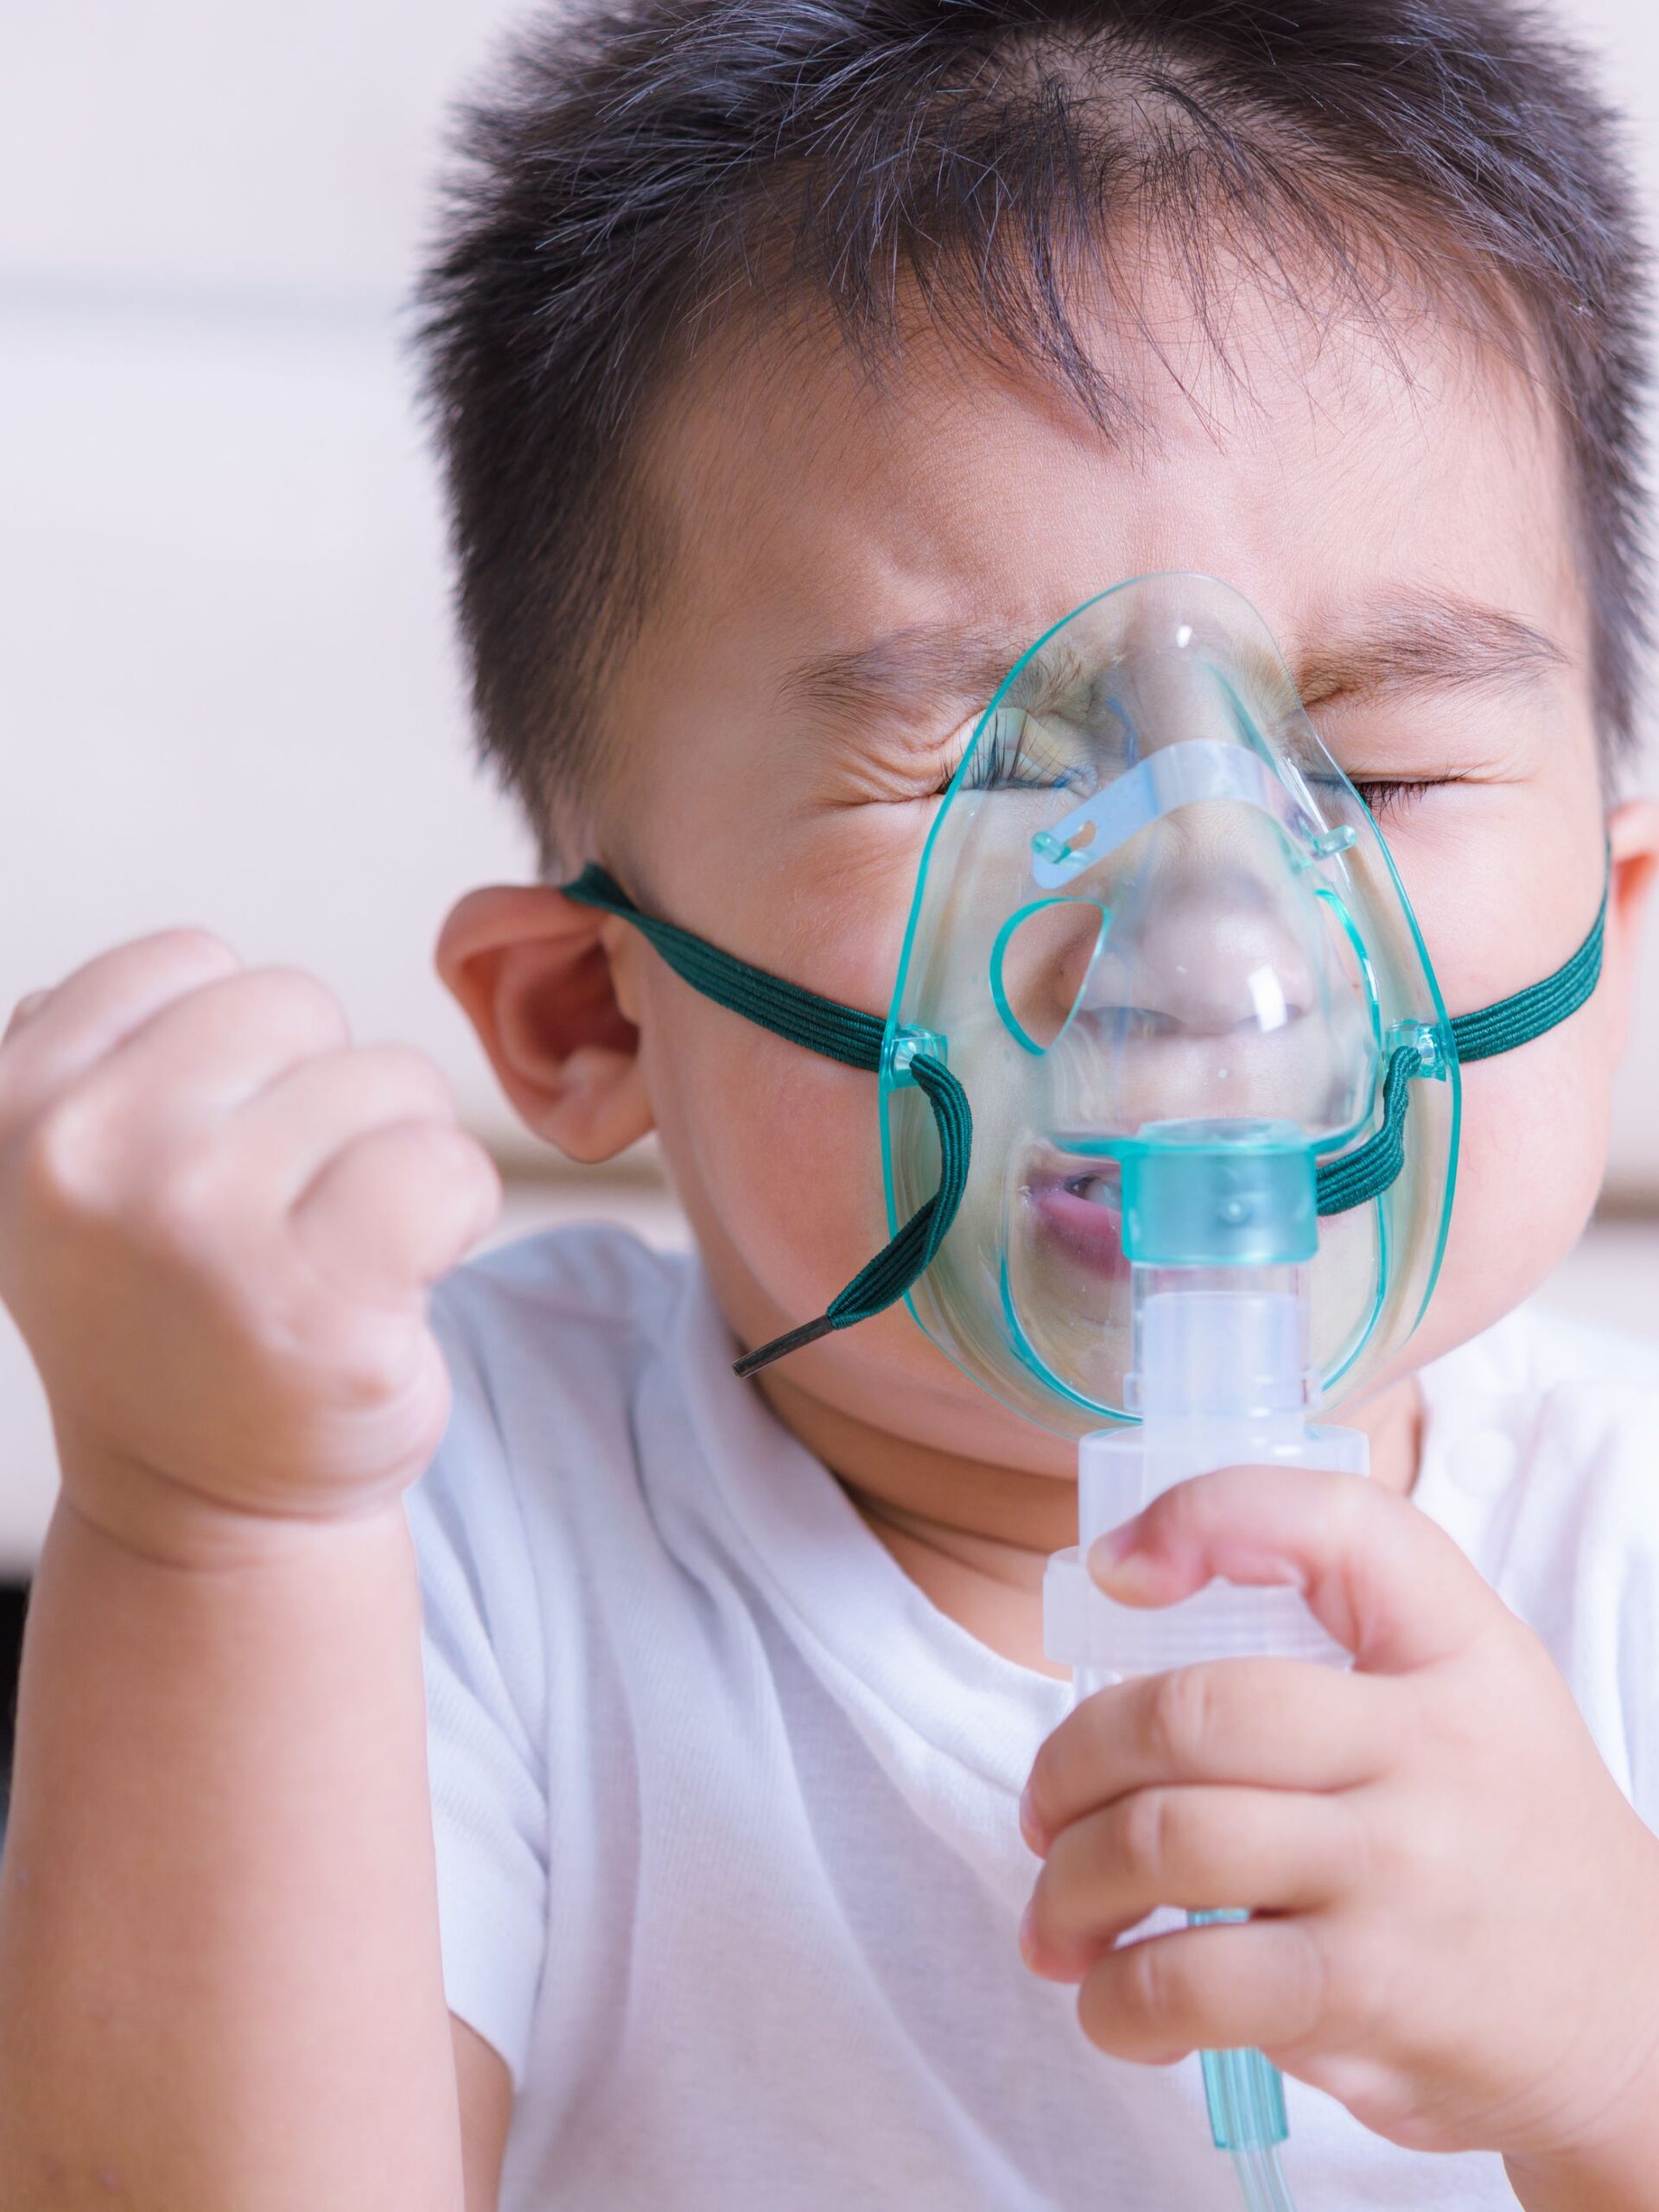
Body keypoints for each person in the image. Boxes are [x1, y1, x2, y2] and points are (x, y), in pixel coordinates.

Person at [3, 1, 1659, 2205]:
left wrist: (1616, 2044)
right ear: (592, 1014)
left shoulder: (1627, 1561)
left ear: (1617, 940)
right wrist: (203, 1522)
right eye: (978, 770)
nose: (1203, 936)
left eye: (1371, 770)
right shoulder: (447, 1522)